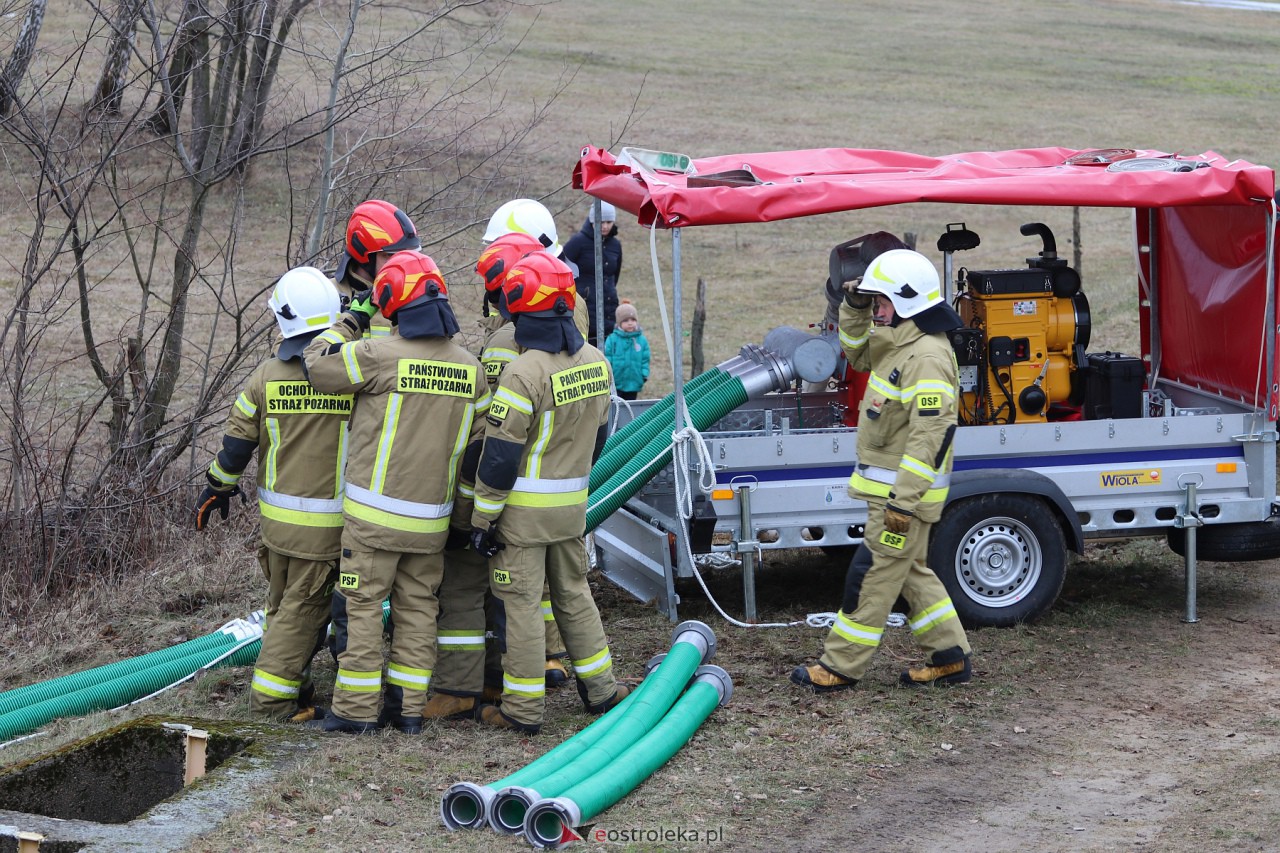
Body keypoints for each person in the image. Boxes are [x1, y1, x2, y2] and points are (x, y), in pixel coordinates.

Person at [302, 250, 488, 734]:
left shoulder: (377, 355)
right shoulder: (472, 369)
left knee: (362, 609)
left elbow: (315, 365)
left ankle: (355, 712)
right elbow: (479, 449)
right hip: (432, 523)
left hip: (372, 521)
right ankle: (407, 712)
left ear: (391, 303)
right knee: (419, 611)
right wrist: (466, 519)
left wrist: (351, 319)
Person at [791, 249, 974, 692]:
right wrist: (852, 307)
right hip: (894, 498)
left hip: (901, 504)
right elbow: (855, 354)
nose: (876, 310)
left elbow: (930, 439)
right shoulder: (898, 344)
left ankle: (839, 667)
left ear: (907, 303)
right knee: (911, 575)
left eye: (881, 302)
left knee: (870, 577)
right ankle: (950, 656)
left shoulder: (926, 358)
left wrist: (903, 504)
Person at [470, 251, 631, 734]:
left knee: (520, 606)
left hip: (521, 516)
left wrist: (482, 520)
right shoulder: (596, 361)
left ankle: (521, 710)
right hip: (571, 509)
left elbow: (499, 459)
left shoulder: (524, 372)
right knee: (575, 593)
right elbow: (600, 438)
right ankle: (602, 690)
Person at [196, 266, 350, 723]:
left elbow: (236, 445)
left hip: (277, 525)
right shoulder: (350, 373)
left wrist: (217, 488)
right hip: (327, 527)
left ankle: (298, 690)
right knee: (301, 614)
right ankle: (273, 703)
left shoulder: (264, 376)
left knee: (282, 606)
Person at [561, 200, 622, 347]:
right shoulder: (577, 242)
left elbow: (615, 276)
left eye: (609, 221)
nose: (605, 226)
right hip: (584, 309)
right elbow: (561, 268)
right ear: (592, 220)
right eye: (601, 221)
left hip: (609, 309)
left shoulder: (615, 245)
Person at [603, 299, 650, 400]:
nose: (630, 323)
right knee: (616, 407)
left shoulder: (641, 340)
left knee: (631, 407)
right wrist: (608, 375)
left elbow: (645, 359)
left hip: (634, 382)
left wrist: (644, 374)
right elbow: (607, 358)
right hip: (616, 382)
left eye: (633, 320)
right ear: (619, 323)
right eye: (626, 320)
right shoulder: (612, 339)